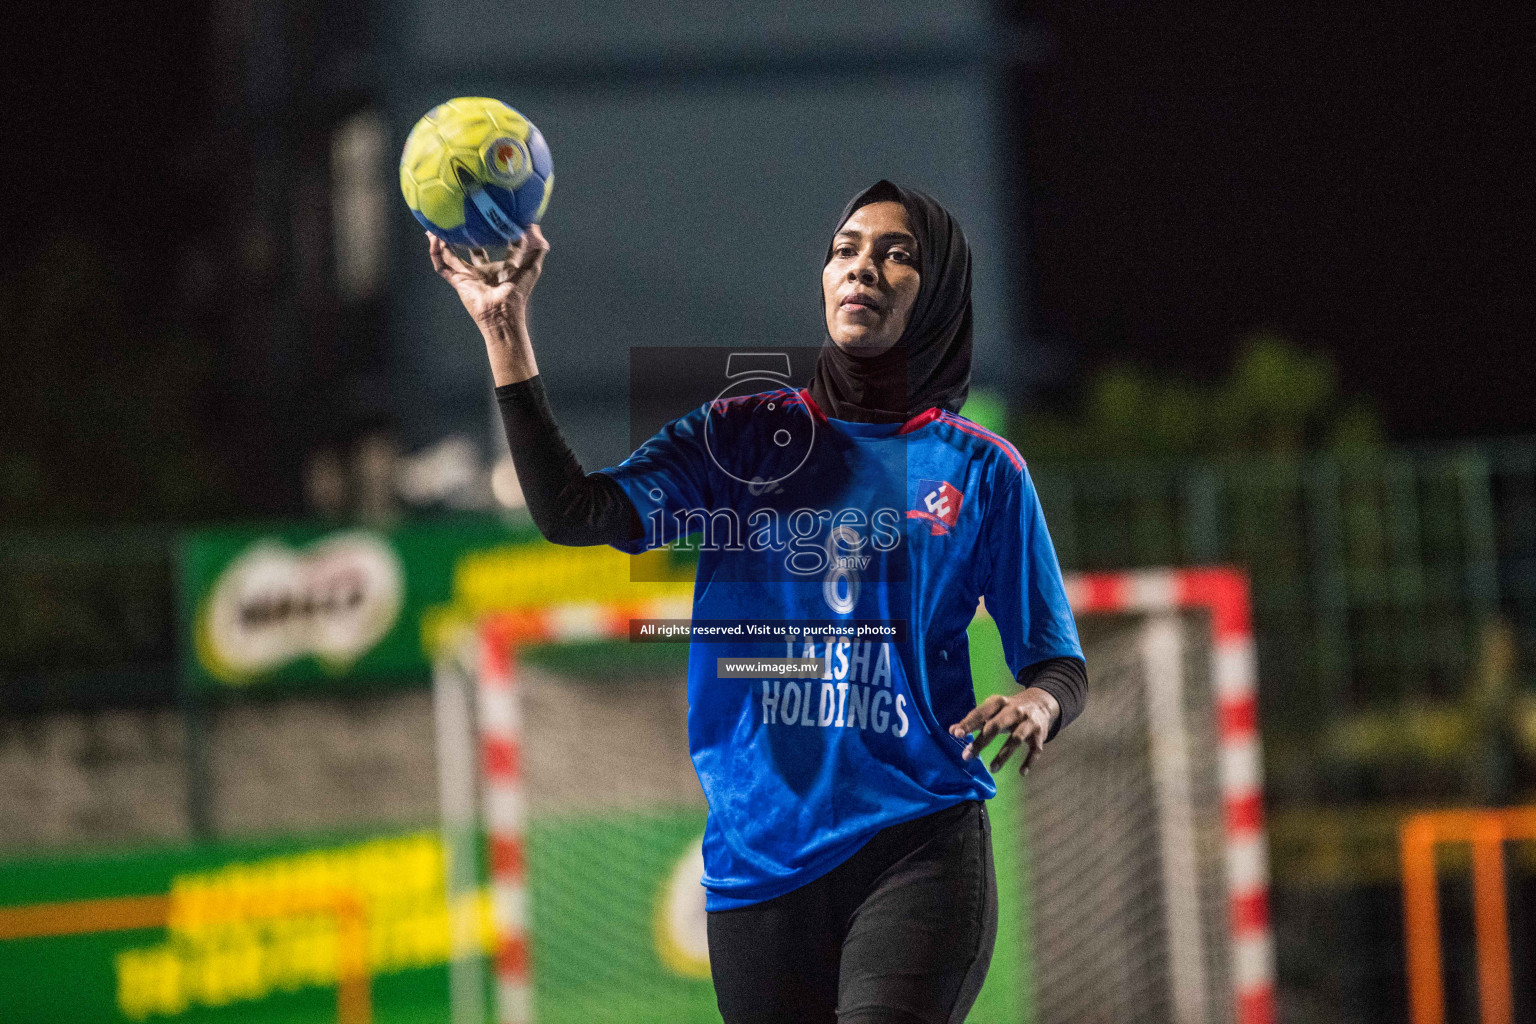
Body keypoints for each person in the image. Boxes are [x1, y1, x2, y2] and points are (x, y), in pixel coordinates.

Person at [429, 179, 1087, 1024]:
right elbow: (575, 512)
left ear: (940, 293)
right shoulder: (738, 434)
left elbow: (1057, 661)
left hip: (918, 840)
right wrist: (502, 326)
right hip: (758, 858)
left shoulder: (984, 469)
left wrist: (1041, 700)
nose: (864, 269)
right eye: (846, 250)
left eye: (898, 255)